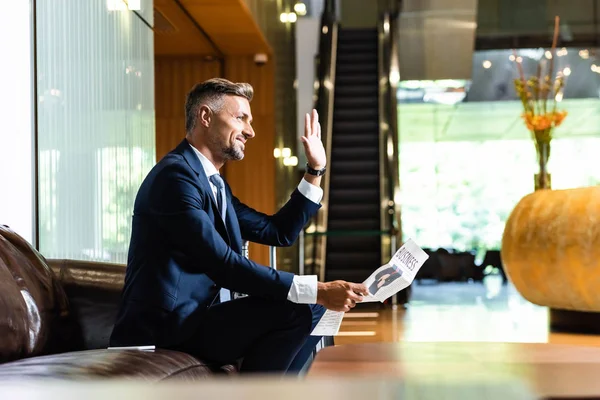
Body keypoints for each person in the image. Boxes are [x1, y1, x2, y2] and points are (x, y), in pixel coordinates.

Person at [109, 78, 368, 374]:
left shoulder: (213, 185)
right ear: (206, 117)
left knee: (315, 308)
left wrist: (315, 170)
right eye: (240, 118)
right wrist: (317, 289)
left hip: (197, 320)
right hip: (166, 329)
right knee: (300, 306)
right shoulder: (175, 179)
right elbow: (222, 264)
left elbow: (277, 232)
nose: (250, 131)